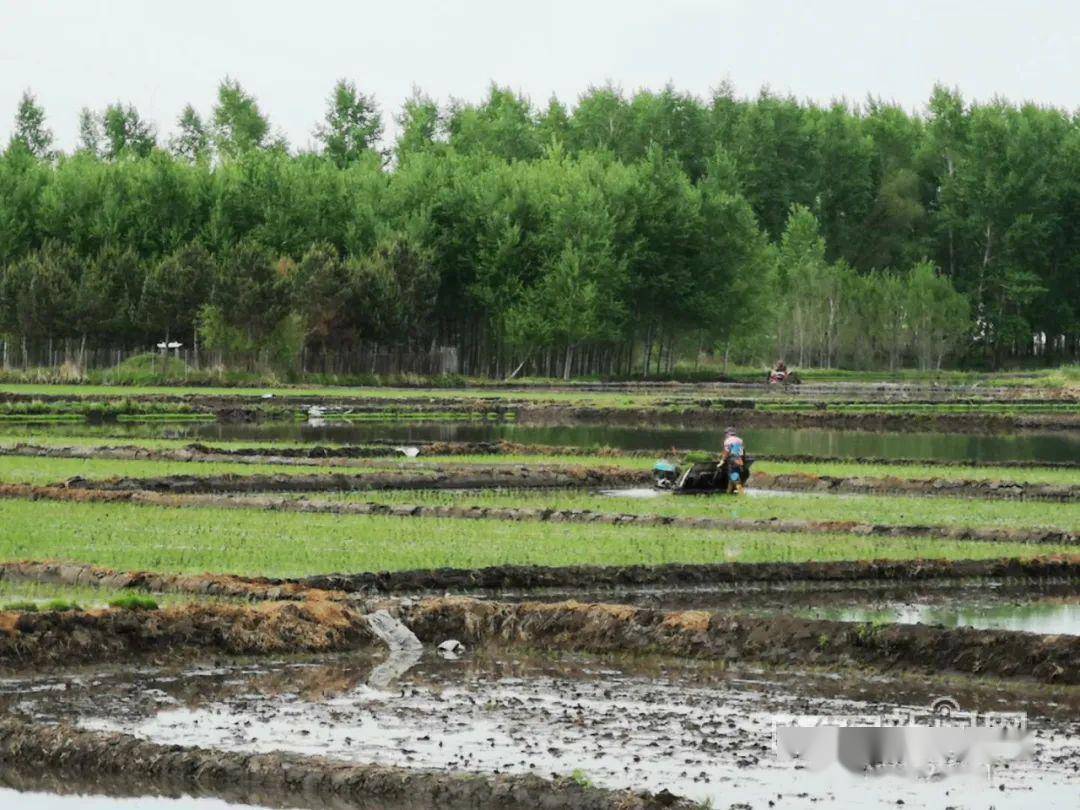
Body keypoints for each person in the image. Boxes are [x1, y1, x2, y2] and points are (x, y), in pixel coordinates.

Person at [720, 426, 746, 494]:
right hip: (739, 459)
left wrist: (722, 460)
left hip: (733, 460)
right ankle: (728, 493)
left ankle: (741, 493)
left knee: (735, 477)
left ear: (727, 434)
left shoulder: (728, 441)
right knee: (731, 477)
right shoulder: (740, 440)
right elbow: (742, 452)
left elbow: (726, 452)